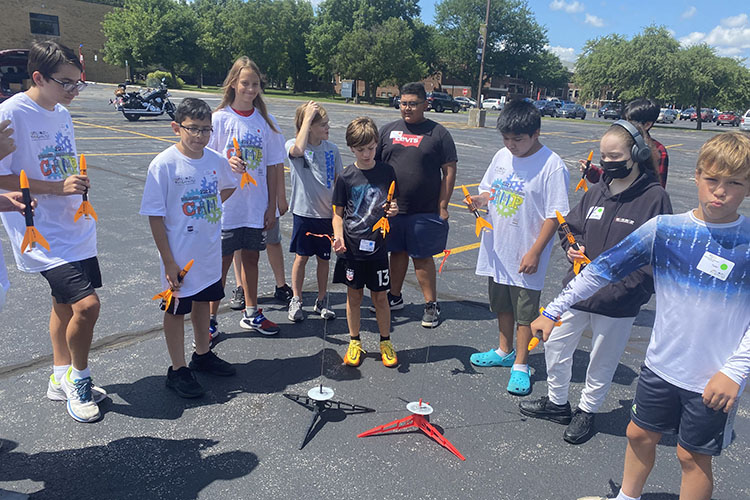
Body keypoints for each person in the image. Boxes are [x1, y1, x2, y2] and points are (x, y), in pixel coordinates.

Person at [531, 131, 750, 500]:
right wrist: (553, 309)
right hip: (661, 366)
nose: (720, 192)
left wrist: (735, 371)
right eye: (712, 179)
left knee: (691, 457)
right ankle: (627, 498)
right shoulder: (666, 230)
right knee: (638, 434)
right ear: (696, 176)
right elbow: (601, 270)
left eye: (734, 183)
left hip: (714, 377)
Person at [519, 120, 672, 444]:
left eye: (614, 156)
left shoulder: (654, 198)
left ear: (637, 154)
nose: (606, 163)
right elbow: (569, 226)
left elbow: (656, 257)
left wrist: (626, 289)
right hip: (577, 291)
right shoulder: (597, 190)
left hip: (619, 301)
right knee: (557, 346)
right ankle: (557, 403)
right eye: (603, 156)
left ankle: (586, 411)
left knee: (603, 359)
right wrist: (573, 246)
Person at [0, 41, 106, 423]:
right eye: (66, 84)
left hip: (74, 225)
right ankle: (80, 379)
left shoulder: (61, 113)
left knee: (63, 304)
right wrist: (56, 188)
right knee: (87, 306)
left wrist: (74, 185)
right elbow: (1, 177)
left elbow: (57, 165)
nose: (74, 92)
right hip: (40, 233)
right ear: (38, 77)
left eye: (79, 84)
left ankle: (59, 377)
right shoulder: (11, 114)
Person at [468, 99, 569, 396]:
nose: (511, 145)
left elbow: (555, 214)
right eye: (506, 138)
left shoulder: (552, 165)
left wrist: (536, 251)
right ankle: (504, 351)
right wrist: (481, 201)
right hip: (499, 246)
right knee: (501, 304)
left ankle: (521, 364)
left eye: (518, 139)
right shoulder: (501, 155)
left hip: (526, 250)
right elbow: (489, 189)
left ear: (535, 133)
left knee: (525, 310)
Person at [140, 98, 238, 398]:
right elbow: (155, 218)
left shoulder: (214, 159)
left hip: (207, 252)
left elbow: (230, 182)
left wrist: (207, 208)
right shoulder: (164, 164)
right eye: (193, 129)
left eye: (206, 130)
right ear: (176, 127)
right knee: (176, 309)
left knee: (203, 303)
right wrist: (169, 262)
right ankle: (178, 369)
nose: (200, 136)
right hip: (179, 255)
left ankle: (202, 354)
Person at [207, 56, 285, 336]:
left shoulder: (266, 122)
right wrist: (225, 165)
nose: (250, 89)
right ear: (232, 84)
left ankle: (251, 313)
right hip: (227, 208)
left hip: (255, 206)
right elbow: (207, 161)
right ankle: (210, 320)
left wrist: (272, 207)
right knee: (222, 264)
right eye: (245, 83)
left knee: (251, 259)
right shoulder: (219, 119)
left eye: (255, 84)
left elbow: (274, 166)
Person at [374, 82, 457, 328]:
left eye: (412, 104)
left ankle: (431, 304)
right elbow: (376, 167)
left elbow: (449, 171)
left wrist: (443, 205)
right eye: (403, 103)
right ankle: (394, 296)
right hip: (393, 209)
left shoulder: (438, 133)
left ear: (425, 104)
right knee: (396, 253)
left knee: (421, 258)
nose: (407, 109)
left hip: (424, 209)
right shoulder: (388, 131)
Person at [333, 117, 399, 368]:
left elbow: (394, 203)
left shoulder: (386, 171)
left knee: (380, 297)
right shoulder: (346, 177)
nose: (367, 154)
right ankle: (354, 341)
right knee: (354, 297)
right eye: (361, 149)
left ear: (376, 144)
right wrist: (338, 236)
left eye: (371, 148)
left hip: (378, 248)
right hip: (351, 248)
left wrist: (393, 209)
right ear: (351, 148)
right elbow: (338, 214)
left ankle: (385, 341)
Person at [286, 101, 342, 322]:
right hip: (304, 213)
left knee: (324, 259)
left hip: (326, 215)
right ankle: (296, 299)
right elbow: (298, 150)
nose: (328, 128)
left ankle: (321, 300)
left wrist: (340, 212)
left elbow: (339, 181)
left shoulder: (332, 149)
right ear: (308, 126)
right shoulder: (294, 144)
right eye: (323, 125)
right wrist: (307, 118)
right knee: (301, 257)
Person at [584, 99, 668, 188]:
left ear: (647, 125)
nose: (626, 126)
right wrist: (592, 171)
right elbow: (609, 178)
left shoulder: (659, 151)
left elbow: (658, 187)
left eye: (631, 122)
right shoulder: (620, 144)